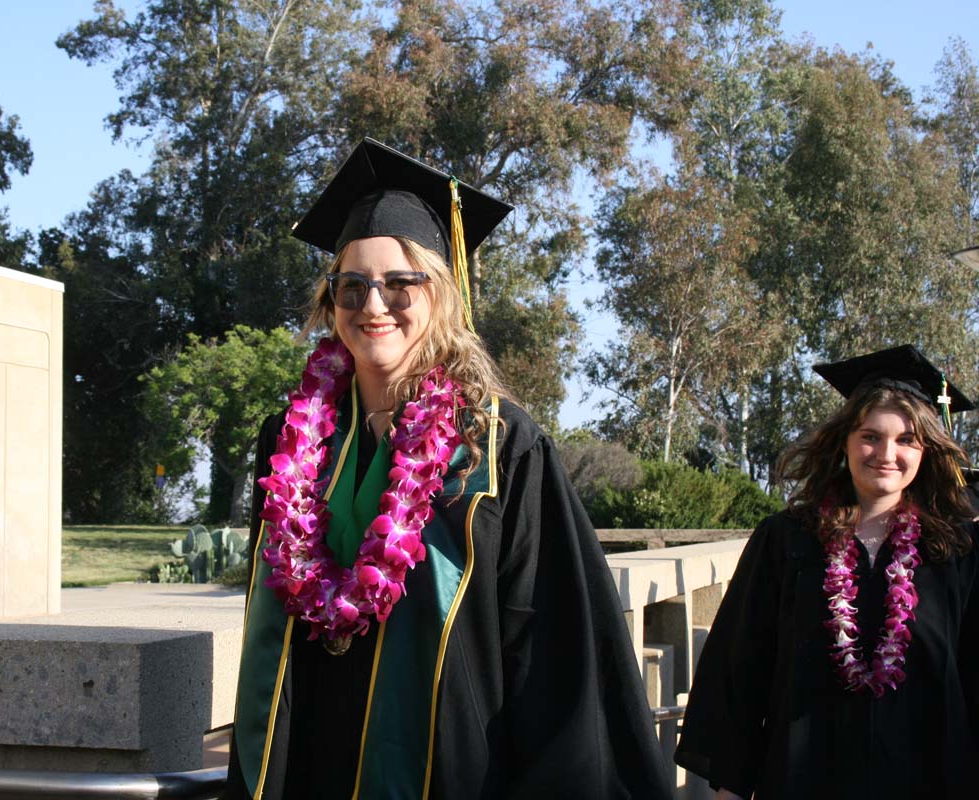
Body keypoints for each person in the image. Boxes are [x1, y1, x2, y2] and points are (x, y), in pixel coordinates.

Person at [223, 139, 670, 799]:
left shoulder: (497, 448)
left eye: (401, 283)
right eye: (352, 286)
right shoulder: (292, 443)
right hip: (310, 767)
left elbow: (555, 657)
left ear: (441, 294)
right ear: (330, 303)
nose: (374, 305)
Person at [674, 344, 979, 798]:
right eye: (870, 436)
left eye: (906, 440)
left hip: (926, 781)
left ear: (926, 451)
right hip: (804, 781)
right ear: (844, 441)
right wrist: (731, 788)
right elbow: (741, 669)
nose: (886, 453)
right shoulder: (787, 540)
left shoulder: (954, 549)